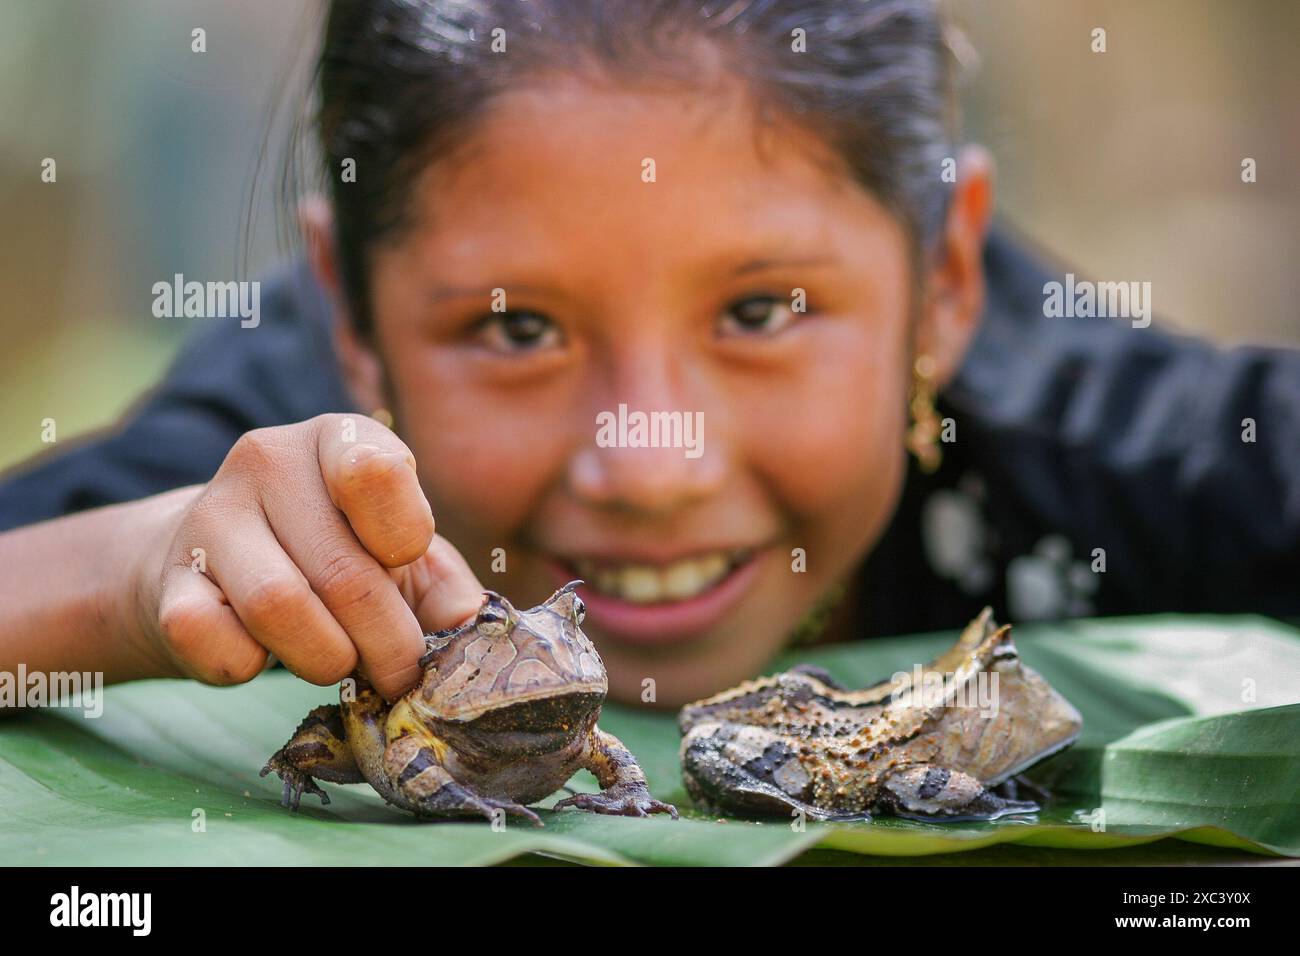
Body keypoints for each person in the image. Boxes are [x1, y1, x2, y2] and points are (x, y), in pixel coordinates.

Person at [1, 0, 1296, 711]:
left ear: (946, 280)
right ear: (349, 311)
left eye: (762, 312)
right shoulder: (287, 481)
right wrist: (123, 577)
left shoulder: (1100, 446)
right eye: (518, 329)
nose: (652, 467)